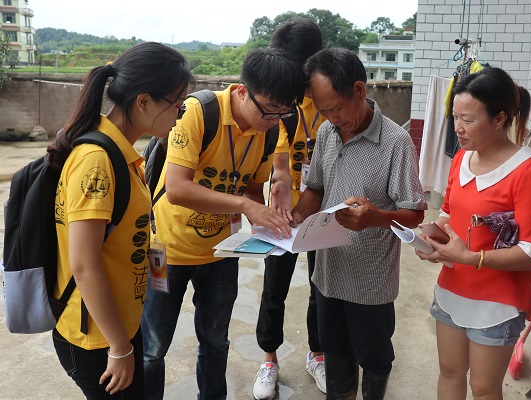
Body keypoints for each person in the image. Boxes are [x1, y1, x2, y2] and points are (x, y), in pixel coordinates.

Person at [141, 47, 305, 400]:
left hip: (221, 252)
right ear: (243, 91)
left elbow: (252, 188)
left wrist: (269, 220)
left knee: (216, 342)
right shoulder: (198, 112)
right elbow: (177, 188)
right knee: (152, 347)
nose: (275, 119)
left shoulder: (269, 130)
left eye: (284, 112)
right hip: (167, 249)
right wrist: (246, 205)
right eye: (269, 110)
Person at [47, 42, 193, 399]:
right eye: (177, 104)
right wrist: (119, 348)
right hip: (98, 338)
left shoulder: (122, 153)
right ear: (144, 101)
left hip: (119, 325)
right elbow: (84, 265)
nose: (180, 114)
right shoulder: (97, 161)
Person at [291, 47, 427, 400]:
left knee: (375, 359)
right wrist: (292, 218)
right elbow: (315, 188)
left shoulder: (395, 142)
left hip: (370, 280)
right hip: (328, 272)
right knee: (335, 352)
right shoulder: (327, 133)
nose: (331, 118)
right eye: (323, 111)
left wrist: (377, 217)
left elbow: (414, 213)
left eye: (336, 108)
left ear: (359, 90)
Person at [415, 67, 531, 400]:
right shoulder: (461, 159)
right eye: (455, 117)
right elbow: (448, 215)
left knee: (483, 388)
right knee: (449, 372)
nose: (458, 128)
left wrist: (471, 257)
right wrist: (431, 240)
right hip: (451, 290)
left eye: (468, 119)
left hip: (498, 303)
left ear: (499, 119)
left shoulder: (529, 171)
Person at [252, 18, 329, 400]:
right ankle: (269, 358)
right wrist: (280, 183)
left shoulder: (327, 98)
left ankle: (318, 354)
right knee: (274, 286)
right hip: (285, 212)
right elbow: (279, 160)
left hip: (325, 208)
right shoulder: (282, 104)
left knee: (322, 287)